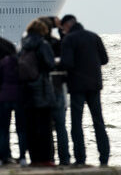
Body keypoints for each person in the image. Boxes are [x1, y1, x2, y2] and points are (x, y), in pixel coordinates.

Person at [60, 16, 110, 167]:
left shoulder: (69, 40)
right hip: (95, 85)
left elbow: (67, 63)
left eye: (63, 28)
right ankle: (104, 158)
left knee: (77, 123)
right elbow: (104, 59)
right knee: (98, 122)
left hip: (77, 86)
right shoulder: (94, 36)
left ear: (67, 25)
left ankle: (80, 158)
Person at [20, 19, 56, 166]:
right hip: (41, 89)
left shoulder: (24, 45)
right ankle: (46, 158)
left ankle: (34, 158)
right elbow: (50, 64)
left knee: (31, 126)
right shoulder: (43, 44)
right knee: (45, 126)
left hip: (27, 91)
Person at [39, 16, 69, 166]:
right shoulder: (57, 43)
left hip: (42, 89)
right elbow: (66, 54)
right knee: (61, 126)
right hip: (57, 87)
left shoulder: (37, 45)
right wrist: (61, 31)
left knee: (44, 126)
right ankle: (65, 159)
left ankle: (48, 158)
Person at [0, 43, 27, 167]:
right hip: (19, 98)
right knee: (21, 129)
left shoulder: (4, 62)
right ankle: (22, 157)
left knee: (2, 130)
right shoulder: (22, 62)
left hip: (4, 97)